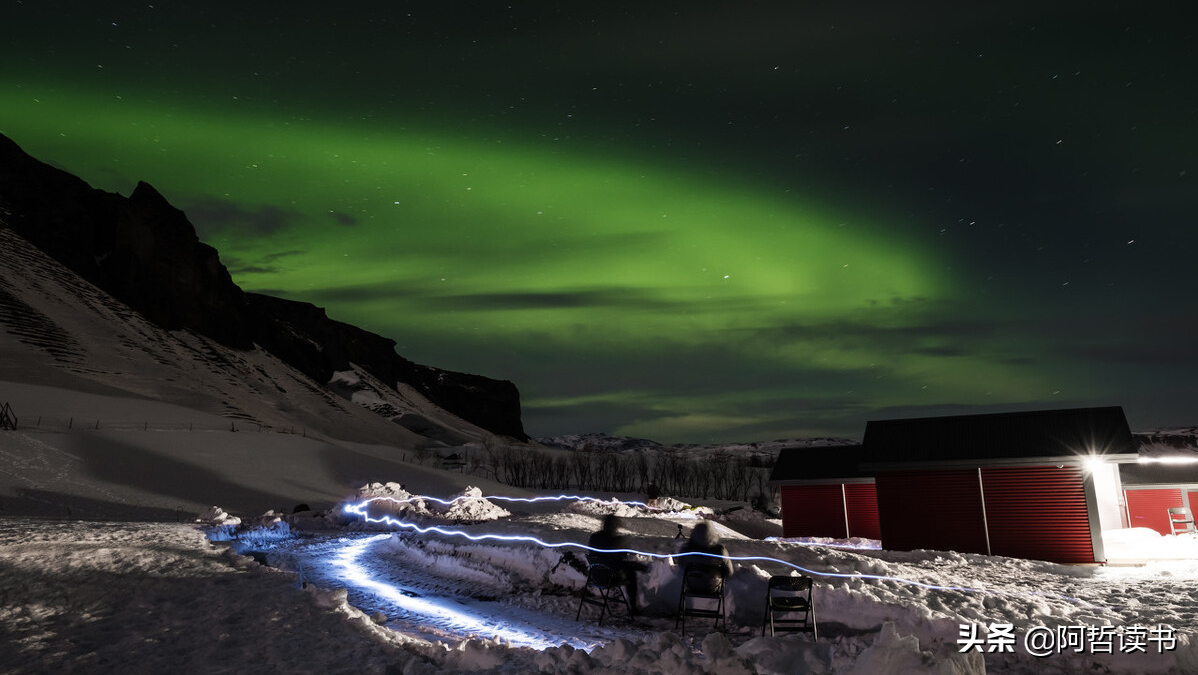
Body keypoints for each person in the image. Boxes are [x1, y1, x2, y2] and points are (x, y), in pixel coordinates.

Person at [587, 514, 648, 614]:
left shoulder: (594, 537)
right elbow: (619, 560)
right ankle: (633, 608)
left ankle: (639, 567)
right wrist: (622, 546)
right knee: (630, 574)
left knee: (623, 566)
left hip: (595, 575)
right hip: (608, 577)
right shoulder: (614, 541)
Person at [677, 521, 734, 592]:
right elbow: (729, 572)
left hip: (691, 585)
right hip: (712, 587)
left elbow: (681, 564)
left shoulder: (686, 549)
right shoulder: (720, 551)